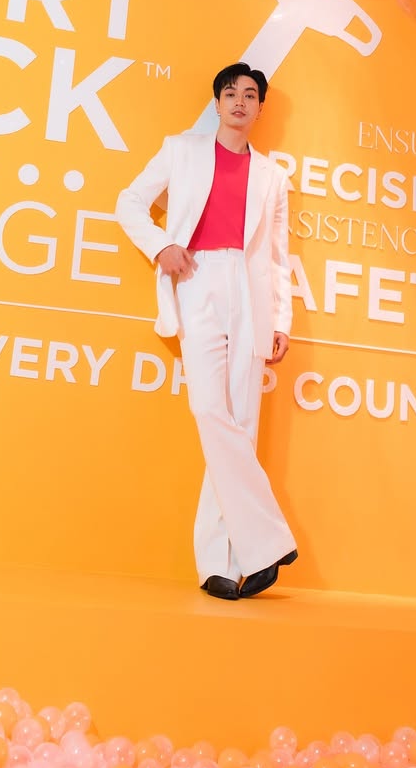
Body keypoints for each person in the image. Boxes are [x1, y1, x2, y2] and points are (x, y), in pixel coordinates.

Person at [115, 62, 298, 601]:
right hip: (197, 277)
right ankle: (268, 542)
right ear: (217, 103)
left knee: (242, 421)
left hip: (250, 290)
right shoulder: (182, 150)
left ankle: (226, 563)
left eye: (250, 95)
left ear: (260, 108)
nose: (240, 101)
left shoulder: (272, 176)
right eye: (230, 93)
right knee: (210, 409)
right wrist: (160, 245)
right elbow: (129, 202)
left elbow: (278, 255)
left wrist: (281, 320)